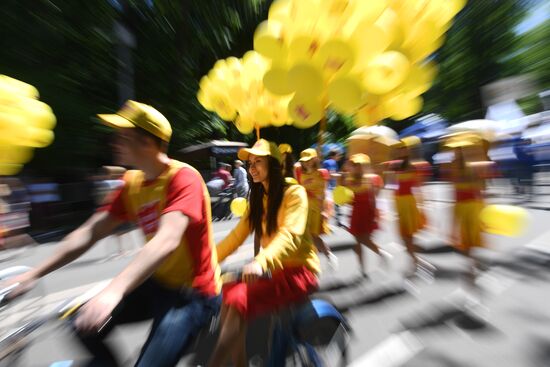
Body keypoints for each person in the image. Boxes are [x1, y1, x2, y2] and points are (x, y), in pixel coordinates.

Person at [5, 100, 222, 367]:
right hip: (158, 284)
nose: (114, 141)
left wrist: (113, 291)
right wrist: (33, 274)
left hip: (193, 295)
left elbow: (167, 240)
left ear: (146, 142)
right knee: (79, 322)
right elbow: (90, 231)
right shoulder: (130, 183)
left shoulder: (183, 178)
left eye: (123, 136)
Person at [208, 139, 320, 367]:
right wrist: (207, 262)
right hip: (274, 272)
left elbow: (291, 234)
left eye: (258, 161)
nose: (252, 167)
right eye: (250, 163)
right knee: (228, 293)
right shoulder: (258, 197)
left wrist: (261, 261)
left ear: (274, 164)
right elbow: (236, 236)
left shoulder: (294, 193)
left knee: (240, 298)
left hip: (300, 272)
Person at [338, 154, 389, 277]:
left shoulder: (370, 179)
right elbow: (342, 197)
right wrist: (341, 180)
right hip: (356, 212)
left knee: (364, 240)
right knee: (358, 241)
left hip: (367, 213)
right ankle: (362, 269)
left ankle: (382, 254)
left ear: (363, 166)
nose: (356, 167)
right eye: (354, 165)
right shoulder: (349, 179)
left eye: (358, 165)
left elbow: (374, 198)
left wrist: (375, 215)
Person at [386, 138, 427, 274]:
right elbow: (391, 185)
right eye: (399, 149)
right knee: (404, 236)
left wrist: (422, 206)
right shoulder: (395, 166)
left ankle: (415, 261)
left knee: (408, 235)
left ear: (407, 151)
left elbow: (418, 187)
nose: (400, 151)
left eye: (403, 149)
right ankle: (416, 260)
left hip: (409, 202)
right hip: (399, 202)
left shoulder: (412, 166)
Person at [298, 148, 338, 270]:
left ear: (315, 159)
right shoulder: (301, 174)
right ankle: (314, 262)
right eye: (304, 161)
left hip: (318, 208)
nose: (307, 163)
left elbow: (327, 193)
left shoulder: (322, 173)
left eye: (309, 160)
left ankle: (328, 255)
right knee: (306, 237)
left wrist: (327, 211)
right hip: (305, 208)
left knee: (314, 236)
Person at [323, 149, 344, 227]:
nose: (339, 157)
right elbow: (331, 174)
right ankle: (330, 223)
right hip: (329, 187)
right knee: (332, 205)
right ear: (333, 156)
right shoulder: (331, 162)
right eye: (338, 155)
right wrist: (342, 175)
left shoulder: (326, 162)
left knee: (333, 205)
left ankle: (336, 221)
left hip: (329, 187)